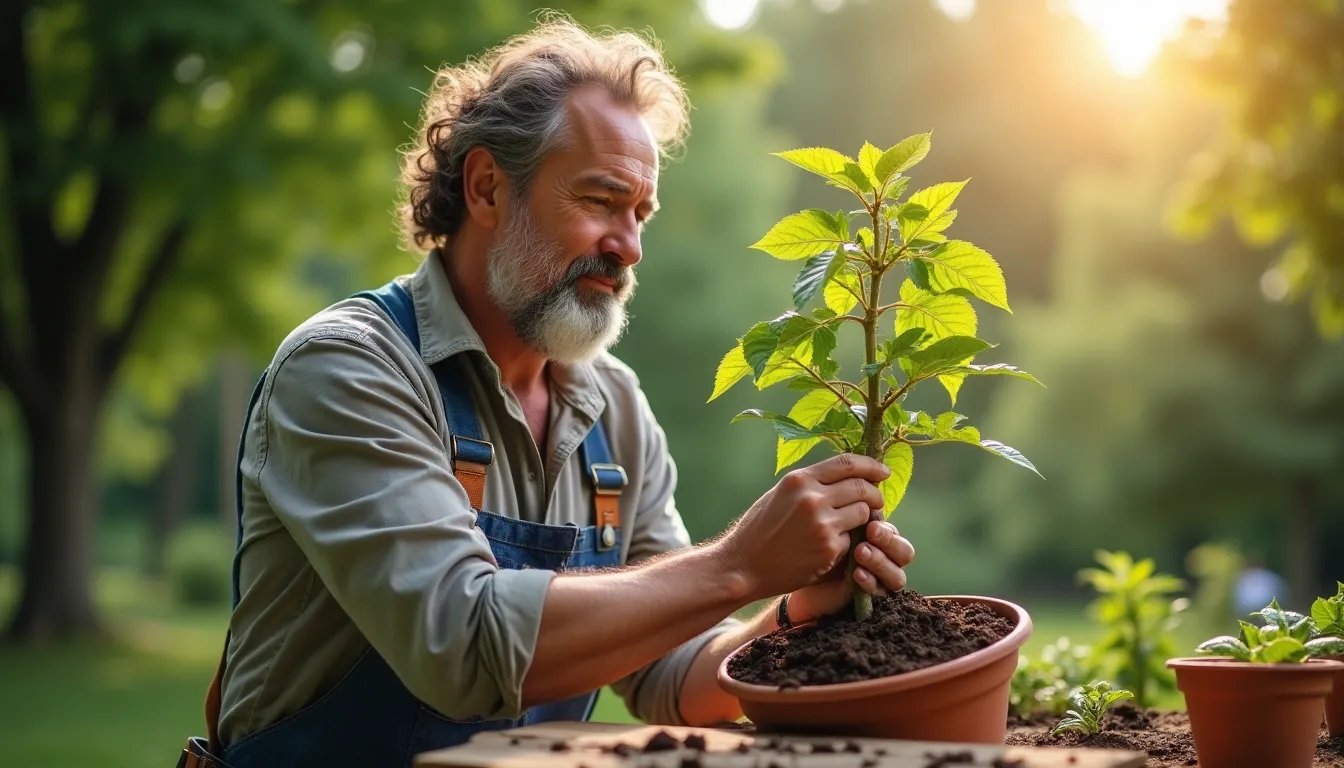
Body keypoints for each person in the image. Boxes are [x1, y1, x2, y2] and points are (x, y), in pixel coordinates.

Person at [184, 17, 915, 768]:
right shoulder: (348, 370)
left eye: (640, 214)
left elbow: (668, 674)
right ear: (487, 188)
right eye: (601, 201)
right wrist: (740, 563)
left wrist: (792, 613)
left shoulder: (616, 411)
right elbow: (461, 645)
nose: (629, 245)